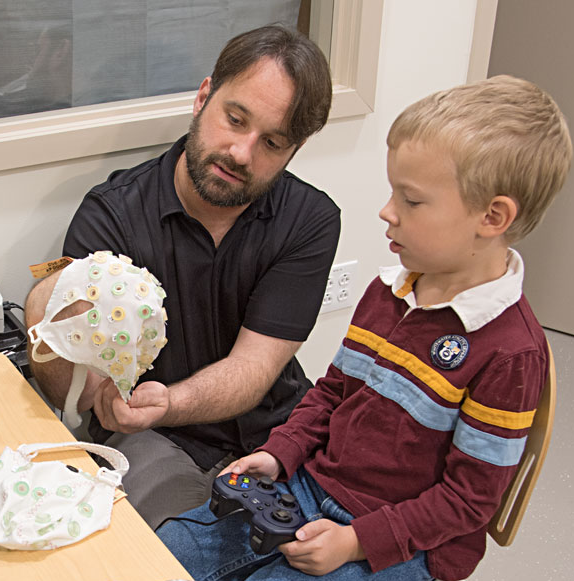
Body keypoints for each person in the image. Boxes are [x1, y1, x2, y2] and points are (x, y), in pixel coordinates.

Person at [154, 74, 573, 581]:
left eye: (412, 200)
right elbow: (331, 393)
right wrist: (281, 452)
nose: (387, 212)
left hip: (401, 544)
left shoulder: (510, 354)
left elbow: (469, 501)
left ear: (493, 216)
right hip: (309, 486)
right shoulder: (390, 291)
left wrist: (355, 543)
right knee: (163, 557)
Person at [25, 25, 341, 529]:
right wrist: (48, 309)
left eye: (272, 143)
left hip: (277, 425)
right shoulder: (112, 216)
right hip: (153, 438)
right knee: (172, 562)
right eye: (234, 119)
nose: (241, 152)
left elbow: (254, 370)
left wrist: (172, 400)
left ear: (293, 151)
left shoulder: (310, 220)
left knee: (340, 543)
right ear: (203, 97)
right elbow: (84, 398)